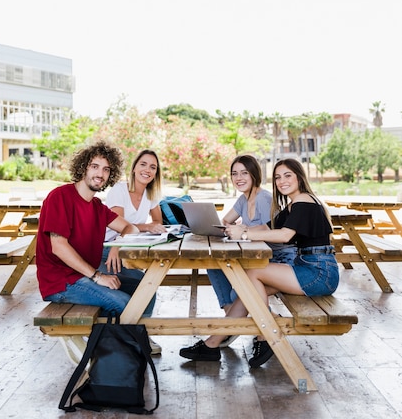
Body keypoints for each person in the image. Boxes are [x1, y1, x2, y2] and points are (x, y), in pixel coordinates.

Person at [180, 158, 339, 368]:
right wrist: (238, 230)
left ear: (300, 177)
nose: (282, 181)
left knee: (253, 273)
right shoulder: (293, 204)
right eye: (278, 177)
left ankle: (265, 337)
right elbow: (265, 228)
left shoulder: (303, 200)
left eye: (287, 175)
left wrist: (244, 234)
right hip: (307, 267)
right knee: (247, 294)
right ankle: (211, 345)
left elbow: (284, 236)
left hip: (319, 272)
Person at [36, 141, 154, 328]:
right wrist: (98, 276)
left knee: (145, 286)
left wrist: (117, 244)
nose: (100, 174)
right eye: (95, 166)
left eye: (106, 169)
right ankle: (120, 348)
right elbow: (59, 247)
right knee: (123, 304)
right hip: (62, 282)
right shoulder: (59, 197)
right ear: (83, 167)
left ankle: (138, 340)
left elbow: (131, 228)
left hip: (83, 277)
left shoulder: (98, 207)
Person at [207, 154, 297, 348]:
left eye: (244, 173)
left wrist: (243, 230)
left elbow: (267, 229)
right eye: (234, 174)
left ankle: (236, 323)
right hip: (254, 258)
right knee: (213, 266)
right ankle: (234, 317)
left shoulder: (264, 198)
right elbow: (225, 222)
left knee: (236, 294)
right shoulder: (242, 199)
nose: (238, 178)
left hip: (277, 258)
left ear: (254, 174)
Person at [98, 149, 166, 354]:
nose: (147, 170)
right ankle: (135, 335)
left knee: (147, 285)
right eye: (143, 164)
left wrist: (145, 227)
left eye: (152, 167)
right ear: (134, 167)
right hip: (106, 249)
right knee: (142, 285)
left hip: (126, 250)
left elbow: (158, 222)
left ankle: (140, 334)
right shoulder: (120, 190)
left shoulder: (150, 194)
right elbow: (120, 225)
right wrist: (143, 228)